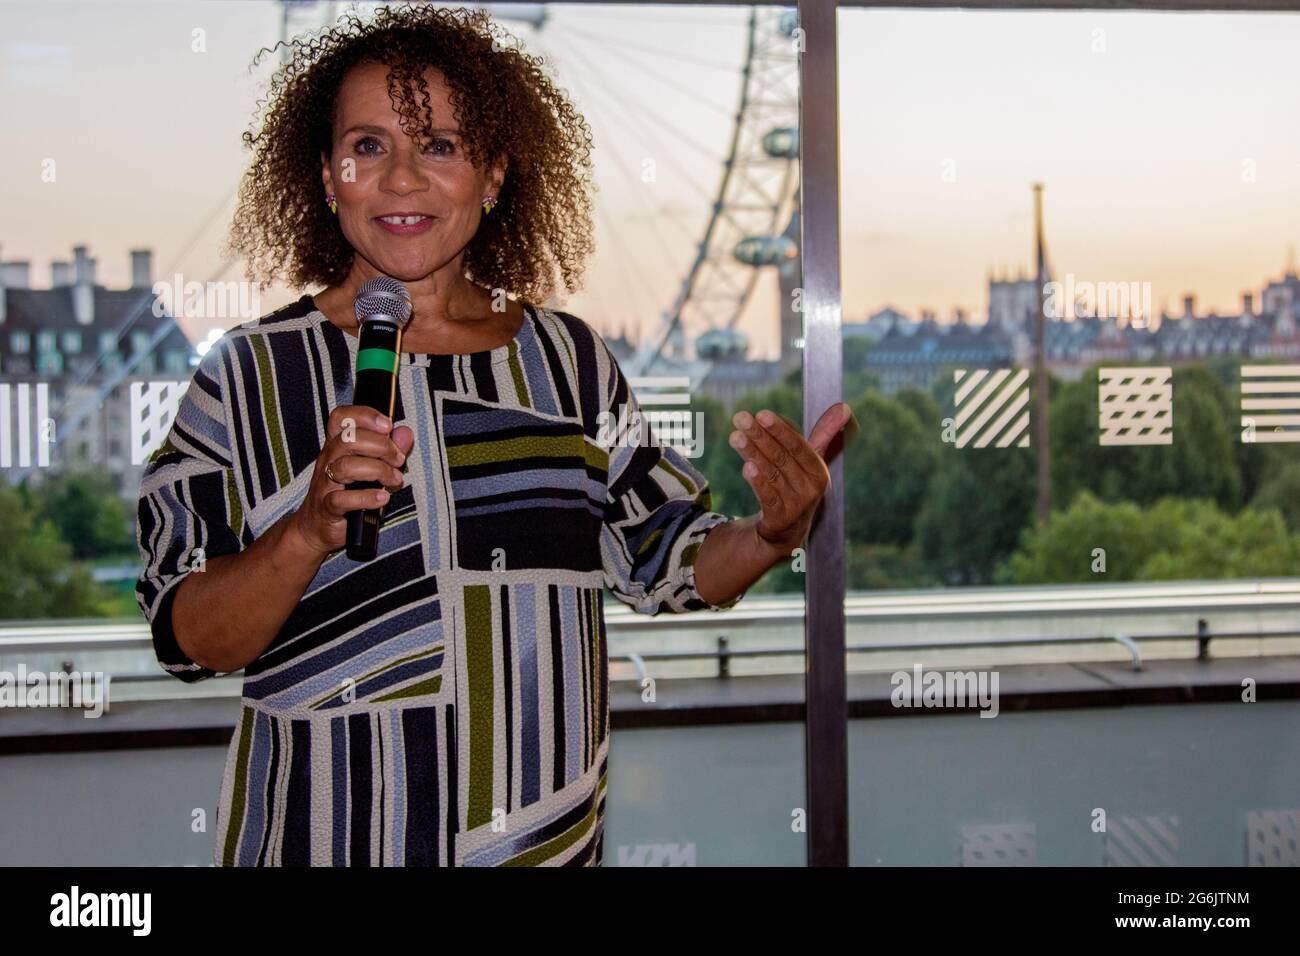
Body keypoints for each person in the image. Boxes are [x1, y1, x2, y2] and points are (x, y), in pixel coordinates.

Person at [135, 4, 851, 866]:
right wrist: (305, 532)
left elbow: (669, 558)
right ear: (326, 177)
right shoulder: (246, 377)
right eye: (367, 147)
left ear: (497, 175)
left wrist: (774, 533)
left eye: (439, 146)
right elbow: (187, 636)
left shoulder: (571, 363)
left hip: (539, 844)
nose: (401, 179)